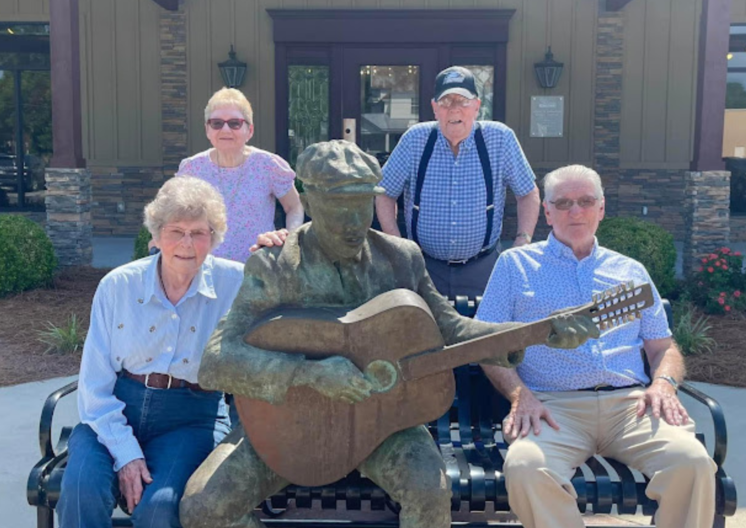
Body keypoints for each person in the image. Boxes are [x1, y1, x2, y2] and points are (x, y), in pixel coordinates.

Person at [178, 141, 596, 528]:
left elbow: (452, 328)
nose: (353, 222)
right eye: (339, 207)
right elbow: (216, 362)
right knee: (202, 508)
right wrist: (307, 375)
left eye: (362, 206)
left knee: (430, 494)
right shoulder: (274, 267)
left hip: (384, 425)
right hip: (289, 428)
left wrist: (531, 333)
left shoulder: (400, 258)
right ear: (309, 202)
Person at [475, 164, 716, 528]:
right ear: (548, 211)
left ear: (601, 208)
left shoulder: (630, 271)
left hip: (630, 406)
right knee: (526, 467)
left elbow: (662, 347)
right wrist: (519, 395)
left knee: (692, 463)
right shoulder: (515, 266)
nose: (576, 211)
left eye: (586, 201)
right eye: (564, 202)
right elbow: (486, 345)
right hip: (554, 408)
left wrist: (663, 384)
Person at [56, 176, 243, 528]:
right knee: (83, 491)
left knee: (159, 507)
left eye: (199, 233)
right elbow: (94, 385)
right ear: (155, 237)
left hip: (189, 418)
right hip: (114, 410)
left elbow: (287, 290)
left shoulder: (237, 283)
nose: (187, 244)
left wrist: (279, 244)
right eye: (176, 231)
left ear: (214, 239)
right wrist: (127, 456)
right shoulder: (118, 286)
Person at [376, 66, 540, 299]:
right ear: (434, 108)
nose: (454, 108)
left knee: (488, 333)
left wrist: (522, 241)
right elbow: (384, 192)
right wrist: (398, 245)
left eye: (462, 100)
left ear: (477, 106)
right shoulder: (415, 140)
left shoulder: (500, 139)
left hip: (484, 267)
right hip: (424, 267)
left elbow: (527, 193)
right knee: (421, 333)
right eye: (445, 101)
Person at [176, 87, 304, 262]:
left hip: (258, 269)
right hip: (204, 270)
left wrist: (290, 240)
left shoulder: (268, 165)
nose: (226, 130)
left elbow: (294, 207)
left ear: (249, 130)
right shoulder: (192, 169)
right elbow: (175, 215)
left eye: (235, 123)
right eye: (217, 123)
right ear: (207, 130)